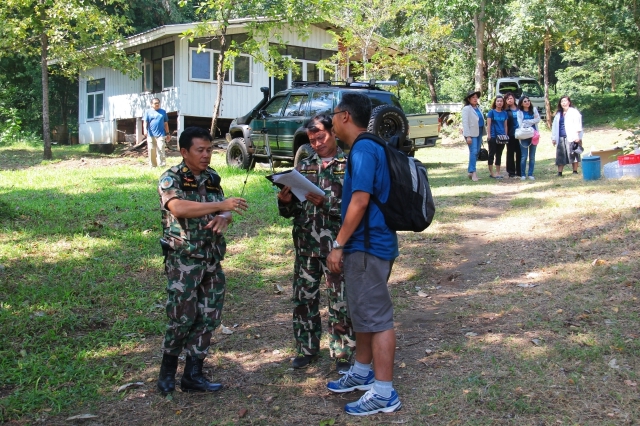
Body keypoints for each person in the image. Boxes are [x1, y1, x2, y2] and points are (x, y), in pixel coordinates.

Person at [156, 126, 249, 394]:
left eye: (209, 150)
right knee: (182, 317)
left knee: (209, 316)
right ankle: (167, 372)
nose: (206, 155)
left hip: (211, 257)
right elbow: (178, 207)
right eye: (200, 150)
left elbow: (224, 208)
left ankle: (193, 374)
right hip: (184, 260)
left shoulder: (211, 177)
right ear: (184, 152)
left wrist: (224, 217)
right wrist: (221, 207)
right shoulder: (171, 178)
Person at [325, 93, 402, 416]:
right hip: (370, 246)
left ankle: (384, 393)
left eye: (333, 115)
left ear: (345, 116)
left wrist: (338, 244)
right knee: (364, 313)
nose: (330, 121)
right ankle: (361, 371)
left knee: (378, 319)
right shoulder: (367, 147)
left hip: (368, 247)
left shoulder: (364, 149)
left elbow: (360, 201)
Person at [276, 114, 355, 373]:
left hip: (336, 246)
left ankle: (343, 352)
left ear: (333, 133)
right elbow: (291, 212)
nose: (317, 144)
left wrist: (326, 203)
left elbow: (356, 209)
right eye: (312, 140)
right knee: (304, 299)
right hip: (306, 244)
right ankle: (306, 349)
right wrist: (285, 202)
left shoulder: (350, 164)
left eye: (320, 137)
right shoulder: (304, 166)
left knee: (340, 301)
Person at [551, 96, 583, 176]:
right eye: (562, 101)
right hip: (561, 136)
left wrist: (577, 135)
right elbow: (554, 126)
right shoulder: (558, 114)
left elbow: (578, 124)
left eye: (565, 101)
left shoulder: (574, 112)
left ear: (569, 102)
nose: (563, 103)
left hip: (572, 136)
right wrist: (553, 138)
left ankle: (575, 171)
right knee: (560, 155)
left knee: (573, 153)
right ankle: (559, 172)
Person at [461, 90, 484, 181]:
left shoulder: (478, 108)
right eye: (473, 97)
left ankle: (470, 172)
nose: (475, 99)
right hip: (471, 133)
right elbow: (465, 123)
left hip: (479, 132)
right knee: (473, 152)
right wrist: (468, 136)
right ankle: (473, 173)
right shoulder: (466, 109)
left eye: (476, 97)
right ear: (469, 99)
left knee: (476, 152)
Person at [516, 96, 541, 181]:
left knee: (532, 156)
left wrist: (527, 121)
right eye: (525, 101)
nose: (527, 102)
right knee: (524, 156)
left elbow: (538, 119)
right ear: (521, 103)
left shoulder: (534, 109)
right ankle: (523, 174)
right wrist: (531, 121)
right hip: (524, 135)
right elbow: (521, 124)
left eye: (528, 101)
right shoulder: (519, 112)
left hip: (534, 135)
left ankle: (530, 174)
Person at [486, 95, 508, 179]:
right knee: (491, 154)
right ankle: (492, 173)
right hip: (493, 136)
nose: (499, 103)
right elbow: (488, 124)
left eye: (501, 101)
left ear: (503, 103)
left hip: (502, 136)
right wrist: (489, 135)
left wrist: (505, 135)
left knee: (499, 154)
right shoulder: (491, 112)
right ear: (495, 102)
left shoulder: (504, 113)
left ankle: (498, 172)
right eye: (498, 101)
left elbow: (505, 125)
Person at [143, 98, 170, 168]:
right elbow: (145, 122)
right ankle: (153, 166)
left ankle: (162, 165)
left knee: (161, 149)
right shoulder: (148, 112)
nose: (157, 104)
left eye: (158, 103)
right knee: (151, 150)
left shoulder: (163, 112)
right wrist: (145, 130)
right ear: (151, 104)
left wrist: (167, 133)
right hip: (151, 134)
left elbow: (166, 123)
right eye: (155, 103)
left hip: (161, 134)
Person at [504, 92, 522, 178]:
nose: (509, 100)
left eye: (511, 98)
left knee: (520, 153)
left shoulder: (520, 108)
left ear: (514, 99)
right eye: (507, 99)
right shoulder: (506, 111)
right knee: (510, 153)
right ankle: (511, 172)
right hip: (511, 134)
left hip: (521, 134)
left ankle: (519, 171)